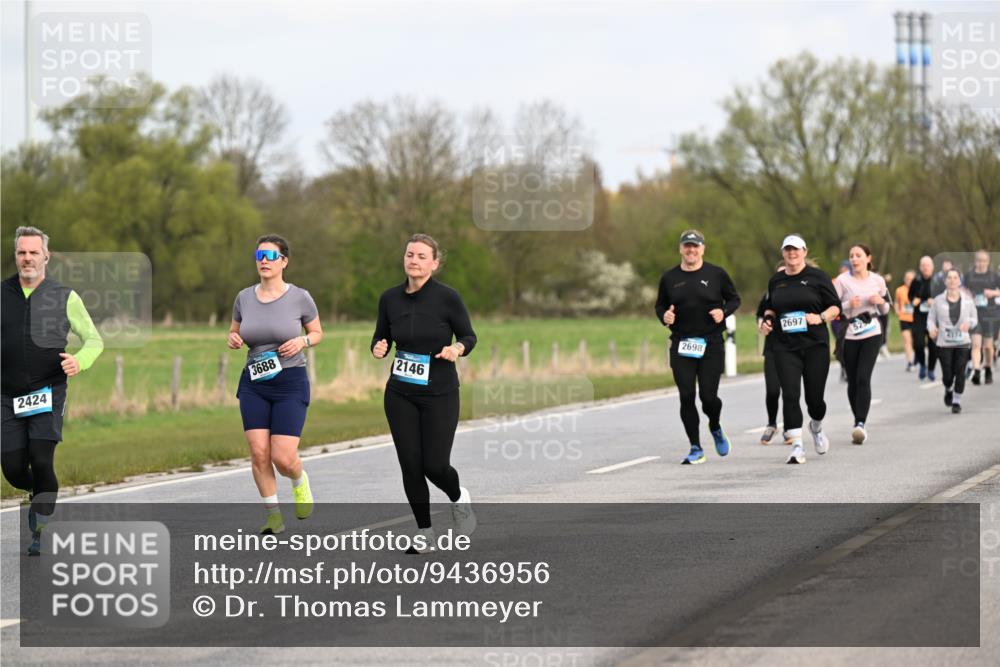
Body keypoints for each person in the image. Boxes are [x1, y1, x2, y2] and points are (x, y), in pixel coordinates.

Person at [372, 234, 477, 553]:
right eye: (409, 254)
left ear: (434, 263)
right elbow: (381, 337)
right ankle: (424, 532)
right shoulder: (389, 299)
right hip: (400, 393)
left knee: (435, 465)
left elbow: (469, 336)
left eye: (420, 256)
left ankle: (460, 500)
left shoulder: (448, 298)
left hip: (440, 393)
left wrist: (457, 348)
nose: (413, 260)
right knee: (410, 465)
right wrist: (378, 347)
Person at [2, 226, 104, 555]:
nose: (27, 258)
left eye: (33, 252)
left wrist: (80, 361)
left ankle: (40, 529)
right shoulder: (2, 294)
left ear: (46, 255)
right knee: (14, 469)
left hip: (48, 393)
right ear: (16, 256)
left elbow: (94, 340)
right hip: (6, 396)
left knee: (42, 461)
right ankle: (42, 491)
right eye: (21, 252)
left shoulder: (65, 297)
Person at [229, 234, 322, 535]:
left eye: (270, 256)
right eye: (259, 257)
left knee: (282, 456)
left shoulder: (300, 297)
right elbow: (235, 333)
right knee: (258, 452)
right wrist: (233, 339)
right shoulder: (243, 297)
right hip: (255, 382)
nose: (264, 262)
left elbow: (317, 332)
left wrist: (302, 340)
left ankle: (299, 480)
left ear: (284, 261)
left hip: (290, 381)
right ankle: (273, 517)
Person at [655, 230, 742, 464]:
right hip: (682, 343)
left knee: (708, 397)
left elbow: (734, 299)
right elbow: (660, 306)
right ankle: (696, 447)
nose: (691, 250)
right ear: (680, 249)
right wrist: (665, 316)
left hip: (711, 343)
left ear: (703, 249)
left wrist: (722, 312)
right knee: (686, 395)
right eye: (687, 246)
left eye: (695, 246)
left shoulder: (716, 274)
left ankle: (715, 425)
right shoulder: (669, 277)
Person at [759, 234, 840, 464]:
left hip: (815, 345)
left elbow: (836, 306)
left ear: (804, 251)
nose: (791, 254)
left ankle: (816, 426)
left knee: (815, 399)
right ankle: (796, 446)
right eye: (787, 250)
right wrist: (767, 320)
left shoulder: (818, 277)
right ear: (783, 253)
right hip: (785, 346)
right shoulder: (776, 280)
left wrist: (820, 317)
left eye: (795, 250)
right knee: (791, 395)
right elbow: (770, 308)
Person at [834, 244, 890, 445]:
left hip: (871, 332)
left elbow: (885, 310)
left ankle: (860, 424)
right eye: (851, 256)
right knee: (853, 379)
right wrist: (849, 305)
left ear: (868, 258)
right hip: (849, 334)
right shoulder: (842, 281)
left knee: (864, 378)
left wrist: (880, 301)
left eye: (858, 255)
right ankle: (857, 418)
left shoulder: (878, 280)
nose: (854, 259)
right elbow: (832, 307)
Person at [927, 269, 977, 413]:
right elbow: (931, 319)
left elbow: (974, 318)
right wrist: (931, 329)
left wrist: (969, 324)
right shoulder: (938, 300)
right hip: (944, 342)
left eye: (955, 278)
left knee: (960, 372)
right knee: (948, 375)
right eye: (949, 278)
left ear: (959, 281)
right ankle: (948, 388)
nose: (952, 280)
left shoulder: (968, 300)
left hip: (962, 342)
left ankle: (956, 401)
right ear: (945, 281)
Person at [756, 262, 786, 445]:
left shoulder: (801, 292)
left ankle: (791, 428)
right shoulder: (769, 294)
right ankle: (772, 423)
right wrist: (763, 325)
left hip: (795, 346)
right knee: (773, 389)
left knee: (791, 391)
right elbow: (760, 315)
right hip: (773, 347)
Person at [966, 250, 1000, 385]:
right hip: (974, 314)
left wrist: (993, 292)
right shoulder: (969, 276)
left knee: (988, 346)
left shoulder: (994, 276)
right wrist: (967, 294)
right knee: (975, 344)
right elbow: (962, 288)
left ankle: (988, 368)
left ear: (988, 262)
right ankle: (976, 370)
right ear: (975, 261)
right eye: (979, 261)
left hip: (990, 315)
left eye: (984, 261)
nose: (981, 263)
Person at [909, 256, 938, 382]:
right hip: (919, 317)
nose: (926, 268)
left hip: (933, 317)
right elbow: (910, 296)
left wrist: (935, 301)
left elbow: (944, 298)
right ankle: (922, 365)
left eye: (928, 265)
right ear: (920, 267)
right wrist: (913, 300)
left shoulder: (938, 281)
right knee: (918, 343)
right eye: (923, 265)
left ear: (932, 267)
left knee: (933, 346)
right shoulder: (916, 281)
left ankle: (931, 369)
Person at [895, 270, 917, 371]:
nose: (909, 281)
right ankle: (910, 362)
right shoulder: (899, 290)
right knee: (907, 340)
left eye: (911, 279)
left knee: (915, 341)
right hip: (904, 318)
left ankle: (916, 358)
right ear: (904, 279)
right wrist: (897, 311)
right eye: (907, 279)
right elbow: (896, 302)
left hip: (916, 319)